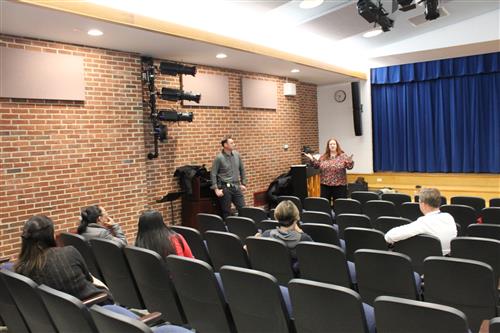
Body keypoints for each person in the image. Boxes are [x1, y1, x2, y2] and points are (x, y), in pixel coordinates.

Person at [14, 215, 190, 333]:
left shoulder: (21, 268)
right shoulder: (67, 252)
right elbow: (88, 278)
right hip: (95, 310)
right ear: (49, 235)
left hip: (64, 318)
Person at [385, 188, 457, 255]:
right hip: (447, 260)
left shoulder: (424, 222)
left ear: (423, 204)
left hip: (428, 261)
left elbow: (389, 236)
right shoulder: (449, 217)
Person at [303, 138, 354, 204]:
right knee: (324, 205)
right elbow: (316, 166)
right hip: (325, 185)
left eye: (334, 144)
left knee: (340, 205)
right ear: (328, 146)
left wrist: (350, 162)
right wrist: (311, 159)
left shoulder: (343, 156)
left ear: (337, 146)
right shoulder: (323, 156)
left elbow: (349, 167)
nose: (332, 146)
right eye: (330, 144)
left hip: (339, 186)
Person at [211, 135, 247, 219]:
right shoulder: (219, 158)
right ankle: (228, 230)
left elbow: (242, 169)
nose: (234, 144)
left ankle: (243, 228)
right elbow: (213, 174)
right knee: (226, 211)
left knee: (243, 209)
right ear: (225, 145)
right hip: (225, 187)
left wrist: (243, 183)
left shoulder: (237, 155)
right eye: (231, 143)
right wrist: (216, 189)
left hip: (236, 186)